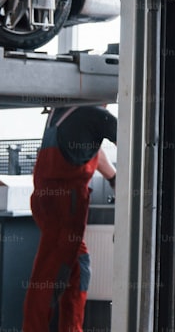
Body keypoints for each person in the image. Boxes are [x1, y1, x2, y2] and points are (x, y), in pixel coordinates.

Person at [23, 104, 117, 332]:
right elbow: (135, 139)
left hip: (45, 203)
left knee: (78, 268)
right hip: (65, 208)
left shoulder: (62, 112)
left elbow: (93, 152)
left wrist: (114, 178)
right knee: (51, 275)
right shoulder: (96, 115)